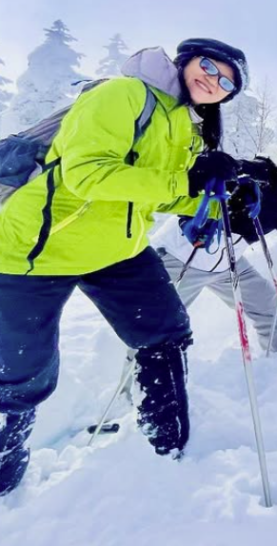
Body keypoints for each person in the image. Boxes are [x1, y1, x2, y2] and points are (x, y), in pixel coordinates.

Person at [0, 38, 246, 497]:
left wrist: (220, 202)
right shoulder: (124, 93)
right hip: (33, 250)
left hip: (115, 250)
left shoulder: (181, 124)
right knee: (19, 373)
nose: (214, 81)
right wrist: (185, 178)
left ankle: (166, 448)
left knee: (166, 333)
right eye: (209, 66)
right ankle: (4, 474)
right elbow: (87, 173)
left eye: (227, 83)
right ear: (186, 59)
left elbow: (156, 193)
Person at [153, 138, 277, 353]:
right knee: (160, 323)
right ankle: (143, 370)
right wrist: (238, 184)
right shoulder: (266, 170)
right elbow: (231, 170)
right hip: (185, 254)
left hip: (227, 264)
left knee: (267, 304)